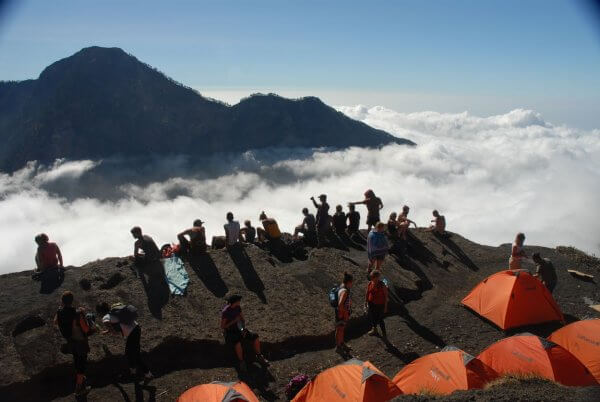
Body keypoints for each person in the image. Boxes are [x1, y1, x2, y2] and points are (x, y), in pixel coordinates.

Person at [97, 302, 153, 383]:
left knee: (135, 355)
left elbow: (108, 324)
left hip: (132, 333)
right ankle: (133, 372)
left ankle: (148, 374)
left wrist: (112, 331)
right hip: (135, 328)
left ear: (100, 312)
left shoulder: (105, 317)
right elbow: (116, 322)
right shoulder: (113, 312)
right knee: (129, 353)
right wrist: (108, 331)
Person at [54, 291, 91, 396]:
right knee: (81, 365)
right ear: (72, 300)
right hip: (80, 342)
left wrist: (60, 309)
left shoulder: (59, 312)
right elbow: (86, 329)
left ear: (62, 301)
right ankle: (79, 389)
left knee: (76, 361)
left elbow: (55, 322)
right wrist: (83, 314)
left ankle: (81, 380)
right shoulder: (77, 313)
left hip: (71, 342)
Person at [220, 294, 269, 372]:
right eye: (239, 301)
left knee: (255, 336)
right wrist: (234, 321)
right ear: (235, 302)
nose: (240, 302)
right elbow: (223, 326)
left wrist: (243, 329)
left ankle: (259, 356)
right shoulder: (226, 312)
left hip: (239, 329)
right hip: (230, 331)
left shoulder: (238, 307)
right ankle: (241, 361)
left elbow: (242, 319)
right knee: (237, 342)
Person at [365, 270, 388, 339]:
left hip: (380, 305)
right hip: (371, 303)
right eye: (371, 277)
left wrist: (385, 307)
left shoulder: (382, 285)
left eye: (373, 277)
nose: (371, 278)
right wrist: (365, 302)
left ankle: (384, 334)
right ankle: (374, 329)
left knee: (380, 319)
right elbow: (367, 293)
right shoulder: (370, 283)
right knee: (373, 317)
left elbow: (386, 296)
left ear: (377, 277)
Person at [335, 272, 354, 355]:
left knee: (341, 329)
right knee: (340, 329)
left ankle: (342, 344)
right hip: (342, 313)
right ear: (349, 282)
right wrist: (344, 313)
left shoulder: (341, 286)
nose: (352, 284)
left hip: (340, 312)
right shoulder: (345, 291)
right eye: (352, 282)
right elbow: (340, 304)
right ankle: (338, 347)